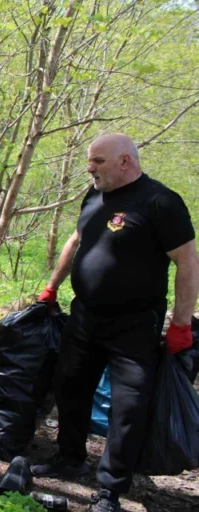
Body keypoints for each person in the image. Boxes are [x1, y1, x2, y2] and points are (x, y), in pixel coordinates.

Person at [30, 133, 199, 512]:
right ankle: (69, 458)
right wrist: (52, 287)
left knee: (128, 407)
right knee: (69, 386)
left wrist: (181, 324)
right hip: (86, 316)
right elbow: (76, 241)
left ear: (125, 161)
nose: (89, 167)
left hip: (135, 325)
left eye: (97, 161)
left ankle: (110, 490)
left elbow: (188, 261)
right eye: (90, 161)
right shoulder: (93, 197)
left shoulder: (160, 202)